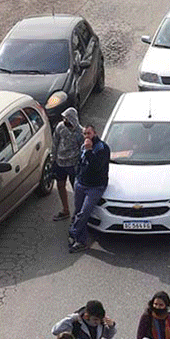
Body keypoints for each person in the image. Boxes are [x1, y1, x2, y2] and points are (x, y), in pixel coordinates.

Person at [69, 123, 110, 253]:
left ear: (95, 133)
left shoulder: (102, 148)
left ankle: (73, 231)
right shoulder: (84, 146)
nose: (87, 136)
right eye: (85, 134)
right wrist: (78, 177)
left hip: (95, 186)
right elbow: (80, 163)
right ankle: (80, 239)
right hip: (81, 184)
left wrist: (89, 151)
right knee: (78, 210)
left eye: (89, 133)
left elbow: (97, 167)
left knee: (85, 212)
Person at [51, 107, 83, 221]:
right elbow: (55, 143)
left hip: (73, 165)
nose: (65, 121)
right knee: (60, 185)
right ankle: (65, 210)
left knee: (77, 189)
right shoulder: (60, 127)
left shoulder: (80, 132)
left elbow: (82, 149)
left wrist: (80, 165)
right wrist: (53, 159)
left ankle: (79, 212)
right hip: (60, 163)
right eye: (64, 119)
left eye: (67, 119)